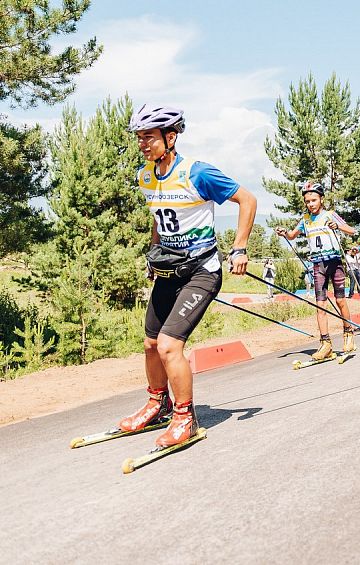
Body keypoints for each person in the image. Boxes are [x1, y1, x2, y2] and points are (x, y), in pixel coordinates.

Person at [122, 104, 256, 448]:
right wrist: (154, 254)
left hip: (201, 272)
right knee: (151, 344)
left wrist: (239, 247)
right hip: (169, 271)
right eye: (139, 138)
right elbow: (159, 218)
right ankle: (158, 404)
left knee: (168, 346)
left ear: (171, 136)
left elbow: (248, 200)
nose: (142, 144)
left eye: (148, 137)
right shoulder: (146, 176)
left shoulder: (198, 173)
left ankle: (186, 418)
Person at [276, 182, 357, 359]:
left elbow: (352, 231)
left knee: (341, 300)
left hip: (334, 262)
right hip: (318, 264)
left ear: (321, 199)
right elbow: (292, 235)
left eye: (313, 200)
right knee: (320, 305)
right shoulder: (305, 219)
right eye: (307, 201)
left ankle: (348, 333)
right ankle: (325, 343)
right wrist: (285, 232)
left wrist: (338, 226)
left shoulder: (330, 214)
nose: (310, 204)